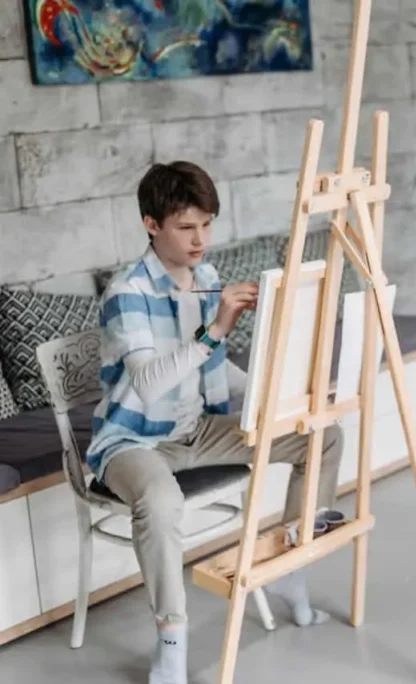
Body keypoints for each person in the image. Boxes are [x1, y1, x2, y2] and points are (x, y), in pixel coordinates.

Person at [86, 161, 342, 684]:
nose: (200, 238)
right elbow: (151, 382)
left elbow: (216, 364)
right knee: (159, 500)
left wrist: (275, 398)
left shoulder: (205, 276)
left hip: (199, 429)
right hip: (133, 440)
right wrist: (215, 327)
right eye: (186, 226)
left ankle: (291, 569)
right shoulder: (126, 293)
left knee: (319, 435)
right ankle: (172, 645)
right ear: (151, 224)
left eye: (207, 224)